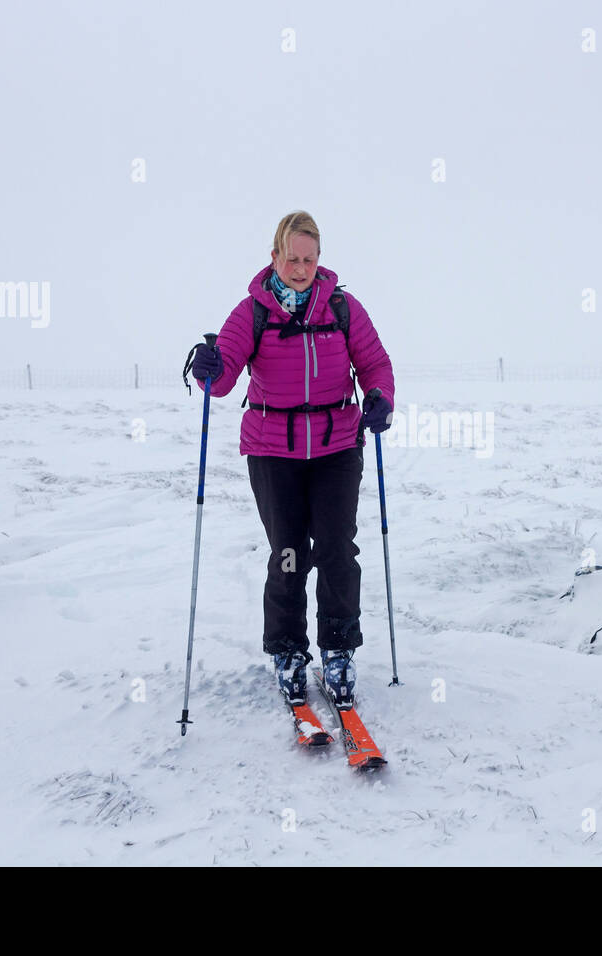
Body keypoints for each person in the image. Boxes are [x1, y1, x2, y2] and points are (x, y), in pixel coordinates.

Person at [190, 211, 394, 710]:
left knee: (337, 551)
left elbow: (374, 364)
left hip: (337, 447)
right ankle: (288, 651)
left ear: (319, 259)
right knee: (288, 554)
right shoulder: (252, 312)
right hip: (273, 451)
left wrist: (380, 397)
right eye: (292, 258)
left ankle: (339, 650)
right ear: (275, 257)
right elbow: (221, 381)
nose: (300, 268)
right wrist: (208, 368)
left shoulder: (343, 308)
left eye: (309, 258)